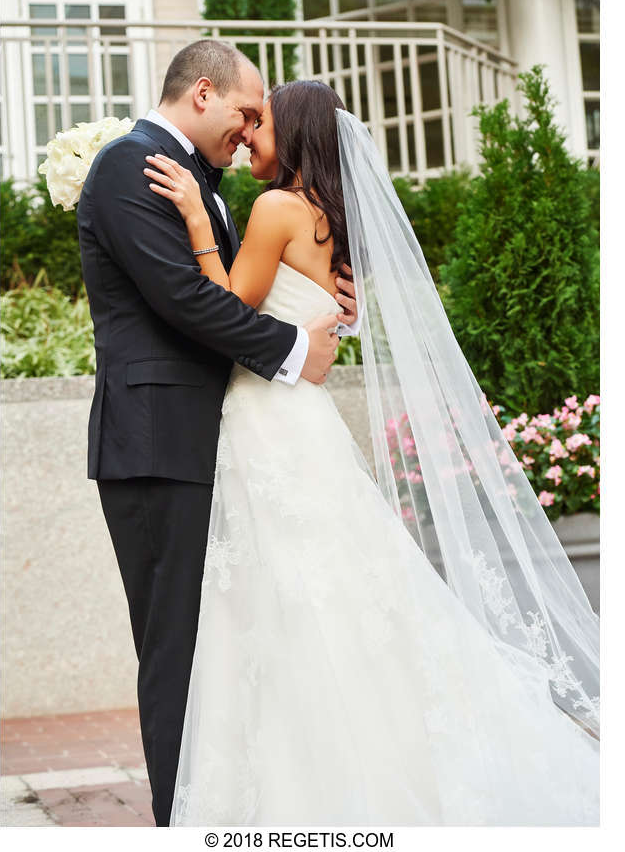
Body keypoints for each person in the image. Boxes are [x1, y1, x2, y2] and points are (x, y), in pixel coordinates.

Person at [144, 79, 600, 826]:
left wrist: (195, 214)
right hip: (306, 424)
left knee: (281, 607)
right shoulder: (329, 222)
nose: (252, 135)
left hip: (270, 427)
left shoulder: (276, 209)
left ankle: (296, 794)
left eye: (262, 125)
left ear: (291, 137)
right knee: (335, 601)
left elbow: (222, 304)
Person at [76, 42, 360, 827]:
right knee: (176, 652)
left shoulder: (209, 183)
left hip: (218, 438)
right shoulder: (128, 168)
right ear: (203, 93)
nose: (247, 131)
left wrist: (319, 294)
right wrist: (299, 348)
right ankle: (180, 821)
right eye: (243, 112)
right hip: (156, 440)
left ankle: (228, 810)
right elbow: (185, 301)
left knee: (218, 647)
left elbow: (240, 287)